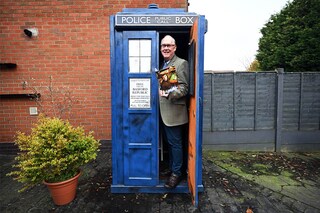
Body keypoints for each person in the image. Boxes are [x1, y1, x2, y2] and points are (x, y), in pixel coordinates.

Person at [158, 35, 189, 189]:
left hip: (175, 113)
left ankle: (177, 173)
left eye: (169, 45)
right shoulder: (164, 64)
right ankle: (172, 168)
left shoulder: (181, 63)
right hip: (164, 112)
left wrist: (168, 93)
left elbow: (184, 88)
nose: (166, 48)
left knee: (175, 144)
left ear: (175, 47)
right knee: (170, 143)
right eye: (164, 45)